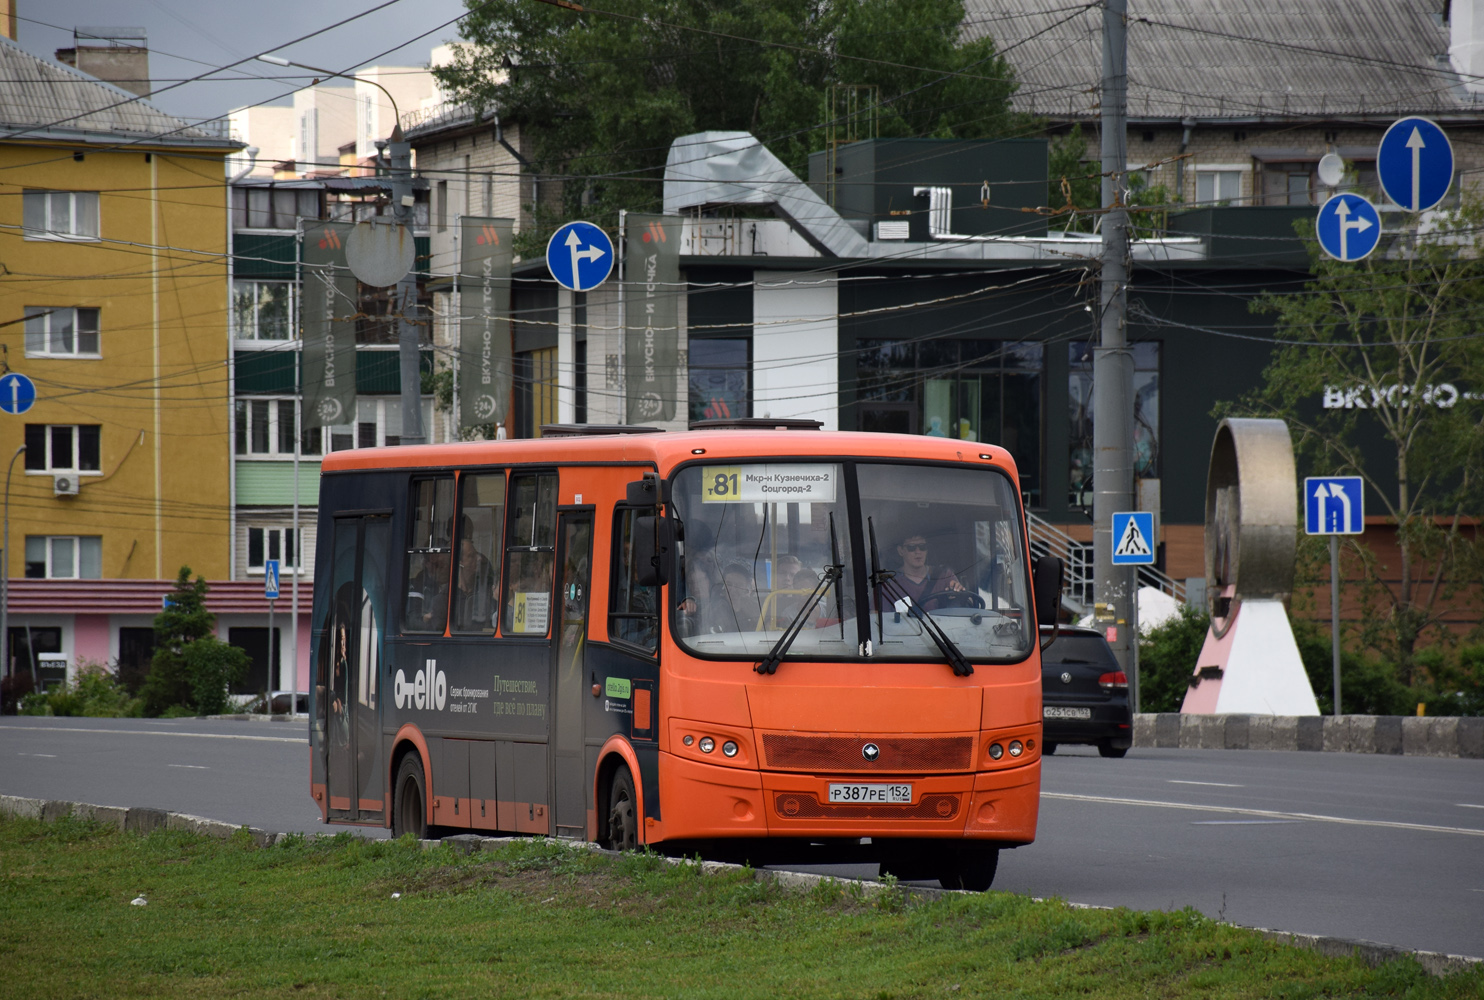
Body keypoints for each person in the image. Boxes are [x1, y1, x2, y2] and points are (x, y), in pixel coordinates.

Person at [882, 533, 964, 611]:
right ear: (901, 551)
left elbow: (968, 605)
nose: (918, 552)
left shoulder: (944, 575)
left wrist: (959, 592)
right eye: (911, 547)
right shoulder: (889, 582)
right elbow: (876, 618)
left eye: (922, 547)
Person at [453, 519, 496, 631]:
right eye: (471, 556)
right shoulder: (449, 596)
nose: (479, 558)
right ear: (460, 562)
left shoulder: (485, 593)